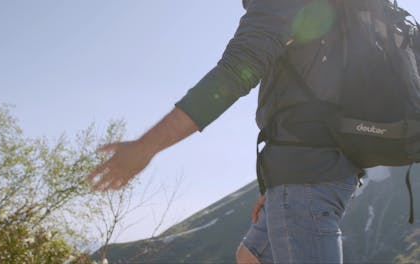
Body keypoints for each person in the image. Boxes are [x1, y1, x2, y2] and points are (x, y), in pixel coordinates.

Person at [87, 0, 363, 263]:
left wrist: (145, 147)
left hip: (308, 172)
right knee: (252, 256)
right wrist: (279, 181)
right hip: (327, 166)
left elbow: (234, 74)